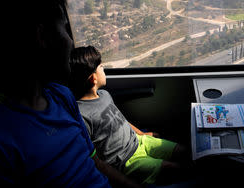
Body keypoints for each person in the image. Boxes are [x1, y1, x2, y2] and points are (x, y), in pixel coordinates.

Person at [0, 0, 115, 187]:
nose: (70, 42)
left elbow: (96, 164)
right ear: (42, 36)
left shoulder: (62, 96)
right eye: (64, 29)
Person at [69, 46, 190, 185]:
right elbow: (97, 162)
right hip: (127, 161)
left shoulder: (104, 95)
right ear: (93, 79)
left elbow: (121, 120)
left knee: (182, 151)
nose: (104, 69)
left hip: (139, 141)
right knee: (173, 169)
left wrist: (142, 134)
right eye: (101, 67)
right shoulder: (82, 115)